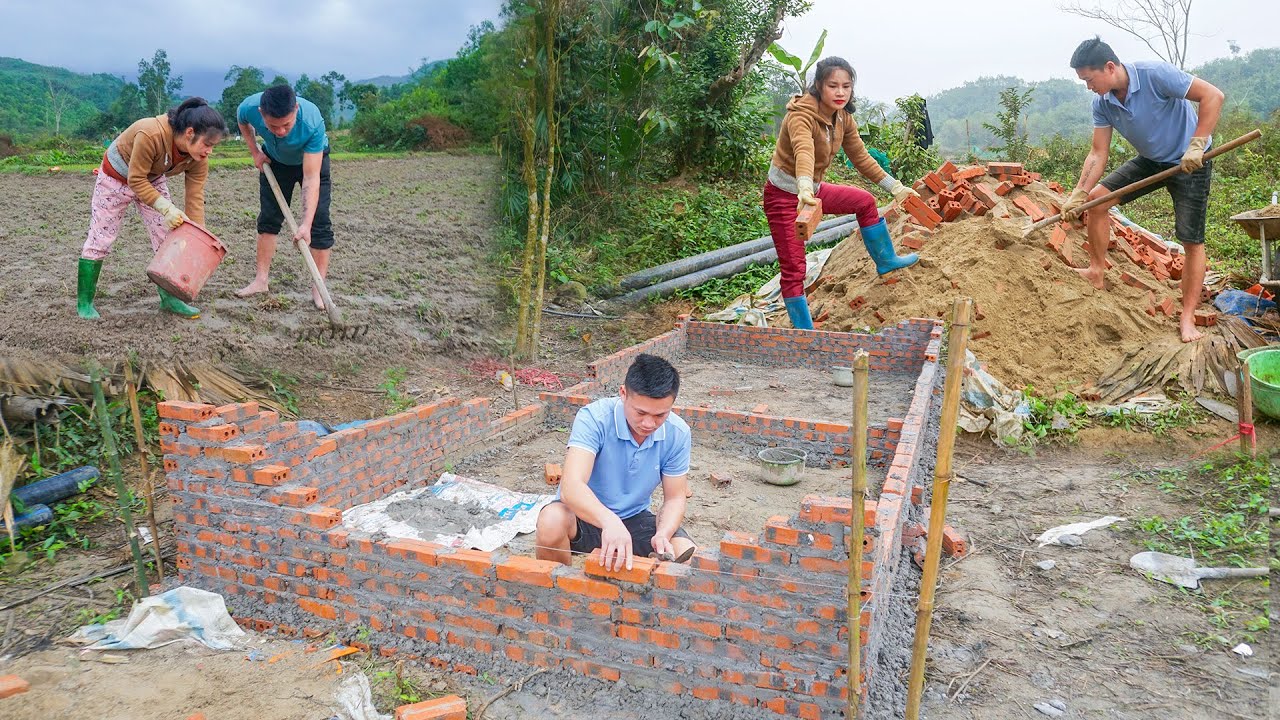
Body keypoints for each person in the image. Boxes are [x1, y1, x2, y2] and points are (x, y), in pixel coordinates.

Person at [1060, 37, 1224, 343]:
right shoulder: (1103, 103)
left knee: (1191, 239)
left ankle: (1187, 318)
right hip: (1151, 160)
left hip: (1189, 161)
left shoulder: (1155, 75)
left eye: (1089, 79)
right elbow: (1098, 153)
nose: (1088, 87)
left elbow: (1213, 95)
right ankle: (1096, 272)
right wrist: (1079, 193)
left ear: (1109, 67)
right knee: (1097, 201)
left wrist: (1197, 144)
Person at [765, 56, 921, 331]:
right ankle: (805, 332)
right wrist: (802, 186)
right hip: (784, 195)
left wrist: (894, 187)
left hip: (811, 191)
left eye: (846, 86)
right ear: (818, 86)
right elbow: (804, 150)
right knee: (794, 269)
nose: (840, 92)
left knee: (864, 202)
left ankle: (886, 261)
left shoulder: (843, 118)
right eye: (833, 85)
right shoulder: (800, 116)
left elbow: (860, 157)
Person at [535, 354, 696, 571]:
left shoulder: (678, 433)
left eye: (660, 415)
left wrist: (663, 533)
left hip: (634, 518)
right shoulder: (594, 419)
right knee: (551, 521)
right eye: (640, 412)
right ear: (623, 394)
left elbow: (675, 497)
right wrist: (609, 522)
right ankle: (558, 590)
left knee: (685, 553)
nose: (649, 423)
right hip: (585, 516)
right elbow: (571, 487)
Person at [76, 97, 227, 320]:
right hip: (115, 179)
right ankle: (84, 303)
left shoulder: (198, 158)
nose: (209, 151)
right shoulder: (151, 134)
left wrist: (197, 237)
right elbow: (136, 180)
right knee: (101, 237)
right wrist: (166, 207)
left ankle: (169, 299)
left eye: (213, 146)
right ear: (189, 132)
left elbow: (195, 197)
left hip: (152, 179)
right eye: (207, 144)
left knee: (168, 236)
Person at [233, 85, 334, 310]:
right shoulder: (249, 107)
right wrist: (255, 153)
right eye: (272, 126)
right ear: (261, 113)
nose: (280, 131)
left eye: (286, 125)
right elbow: (242, 123)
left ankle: (319, 288)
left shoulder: (311, 122)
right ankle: (261, 280)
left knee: (319, 223)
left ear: (296, 109)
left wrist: (305, 224)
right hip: (275, 160)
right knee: (268, 219)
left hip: (311, 162)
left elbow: (310, 178)